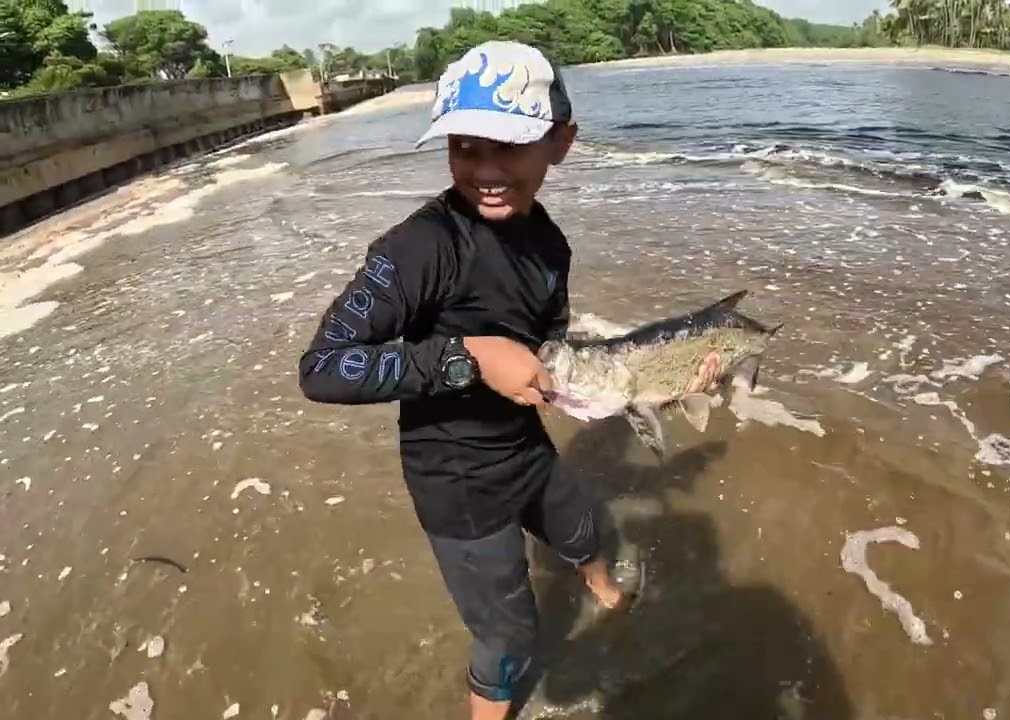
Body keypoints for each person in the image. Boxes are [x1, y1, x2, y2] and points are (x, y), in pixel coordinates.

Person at [296, 40, 720, 720]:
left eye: (509, 148)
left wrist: (659, 381)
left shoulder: (550, 245)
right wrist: (467, 356)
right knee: (509, 634)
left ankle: (609, 597)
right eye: (465, 148)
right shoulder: (418, 248)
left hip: (524, 450)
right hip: (456, 483)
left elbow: (552, 356)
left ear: (560, 142)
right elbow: (321, 368)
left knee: (585, 530)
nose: (486, 171)